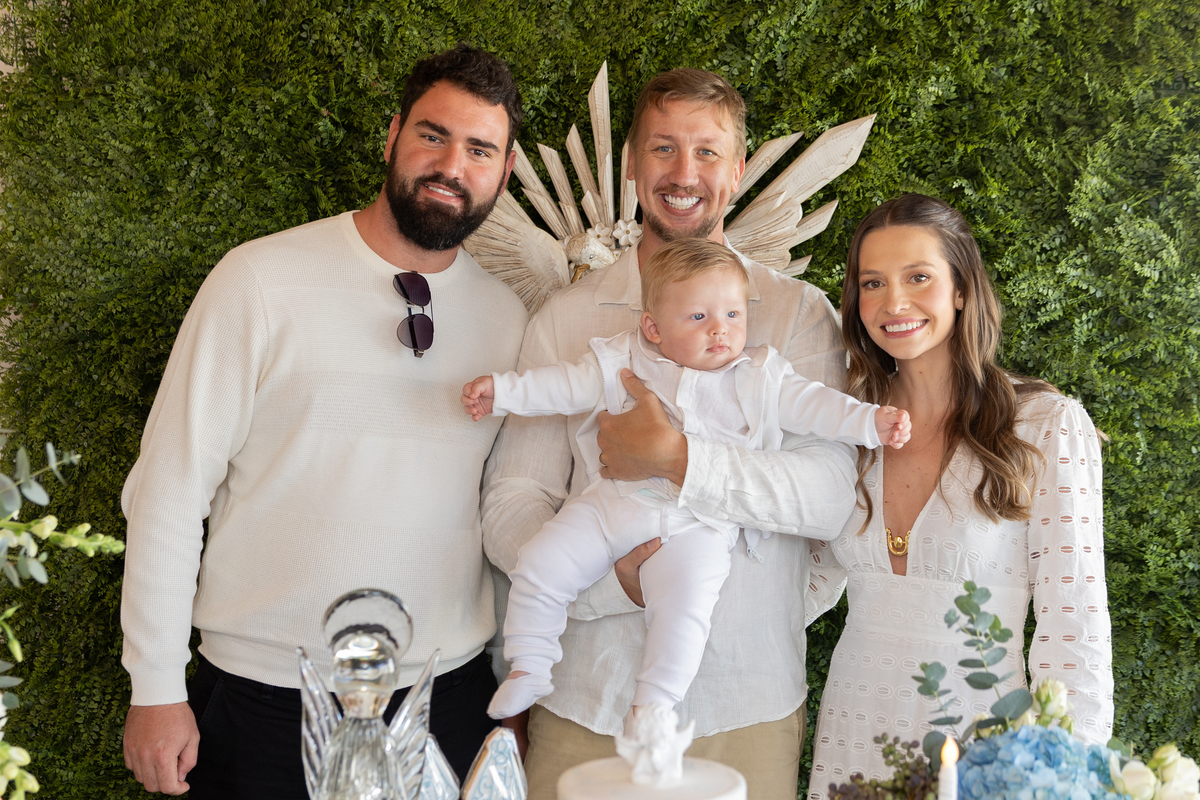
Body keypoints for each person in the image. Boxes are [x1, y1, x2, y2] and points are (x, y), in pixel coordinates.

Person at [119, 44, 529, 797]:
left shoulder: (509, 322)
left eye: (479, 150)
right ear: (393, 135)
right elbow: (170, 488)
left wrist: (510, 690)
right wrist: (155, 685)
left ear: (504, 173)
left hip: (447, 699)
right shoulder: (258, 281)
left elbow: (503, 517)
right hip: (263, 696)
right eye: (432, 135)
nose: (451, 166)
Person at [481, 68, 860, 800]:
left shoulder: (796, 315)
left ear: (738, 169)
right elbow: (513, 498)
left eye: (707, 152)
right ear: (631, 162)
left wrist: (679, 460)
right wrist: (609, 583)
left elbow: (831, 498)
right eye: (663, 148)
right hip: (587, 698)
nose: (684, 174)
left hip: (747, 703)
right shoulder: (567, 319)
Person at [465, 240, 909, 726]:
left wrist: (870, 422)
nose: (720, 329)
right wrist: (502, 392)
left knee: (685, 610)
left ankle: (653, 705)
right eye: (698, 317)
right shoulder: (623, 359)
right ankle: (530, 666)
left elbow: (819, 408)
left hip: (698, 525)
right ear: (653, 327)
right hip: (613, 504)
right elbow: (559, 386)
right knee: (540, 562)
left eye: (733, 315)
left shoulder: (761, 376)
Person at [806, 194, 1114, 799]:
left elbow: (1074, 625)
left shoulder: (1044, 424)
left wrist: (1067, 770)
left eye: (918, 277)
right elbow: (801, 579)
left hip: (985, 743)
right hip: (855, 730)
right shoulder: (844, 424)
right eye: (872, 283)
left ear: (962, 289)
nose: (894, 303)